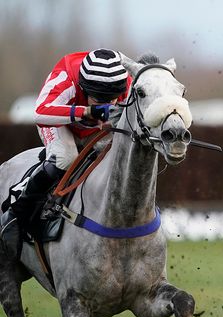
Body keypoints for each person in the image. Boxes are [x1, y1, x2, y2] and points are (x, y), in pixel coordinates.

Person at [0, 49, 131, 258]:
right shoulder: (67, 76)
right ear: (84, 88)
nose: (109, 105)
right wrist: (86, 111)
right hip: (59, 123)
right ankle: (15, 215)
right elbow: (40, 112)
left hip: (93, 130)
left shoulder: (125, 81)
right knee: (66, 157)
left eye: (114, 99)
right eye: (99, 100)